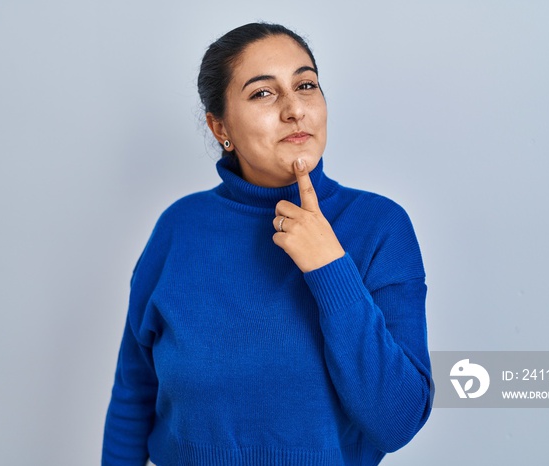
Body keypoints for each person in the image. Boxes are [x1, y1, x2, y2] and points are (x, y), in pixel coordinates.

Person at [102, 22, 432, 466]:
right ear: (220, 127)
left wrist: (330, 266)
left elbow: (397, 422)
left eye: (306, 84)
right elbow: (134, 394)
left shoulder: (379, 227)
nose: (295, 108)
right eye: (263, 93)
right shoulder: (178, 228)